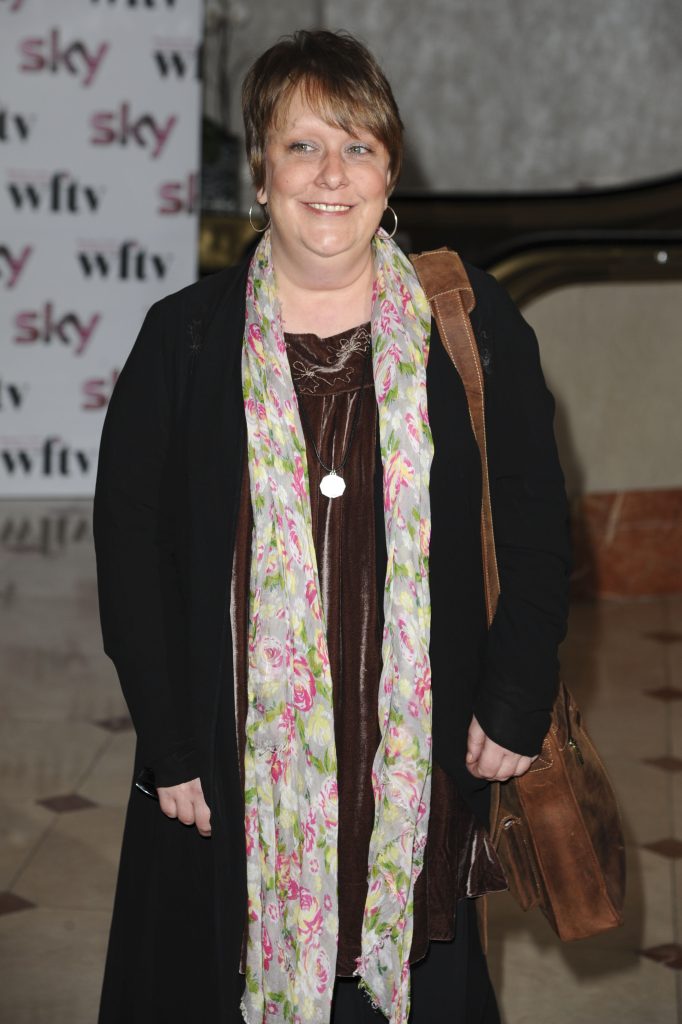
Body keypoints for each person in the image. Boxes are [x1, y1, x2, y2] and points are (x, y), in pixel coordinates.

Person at [94, 29, 570, 1024]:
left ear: (390, 173)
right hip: (230, 767)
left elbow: (533, 521)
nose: (330, 174)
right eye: (301, 145)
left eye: (357, 146)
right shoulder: (182, 338)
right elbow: (131, 554)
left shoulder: (472, 326)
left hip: (418, 759)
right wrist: (171, 741)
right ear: (260, 174)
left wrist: (517, 695)